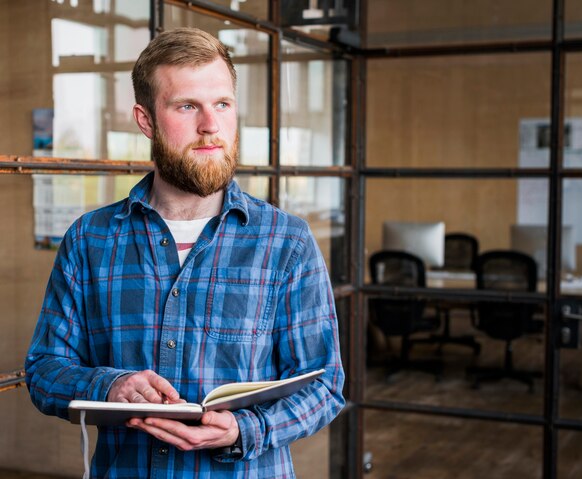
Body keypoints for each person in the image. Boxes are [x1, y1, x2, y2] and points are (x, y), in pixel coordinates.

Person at [25, 27, 344, 478]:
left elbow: (326, 386)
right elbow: (43, 372)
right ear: (146, 120)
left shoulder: (286, 242)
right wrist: (111, 385)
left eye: (222, 104)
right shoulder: (89, 240)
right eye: (187, 106)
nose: (210, 125)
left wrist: (242, 429)